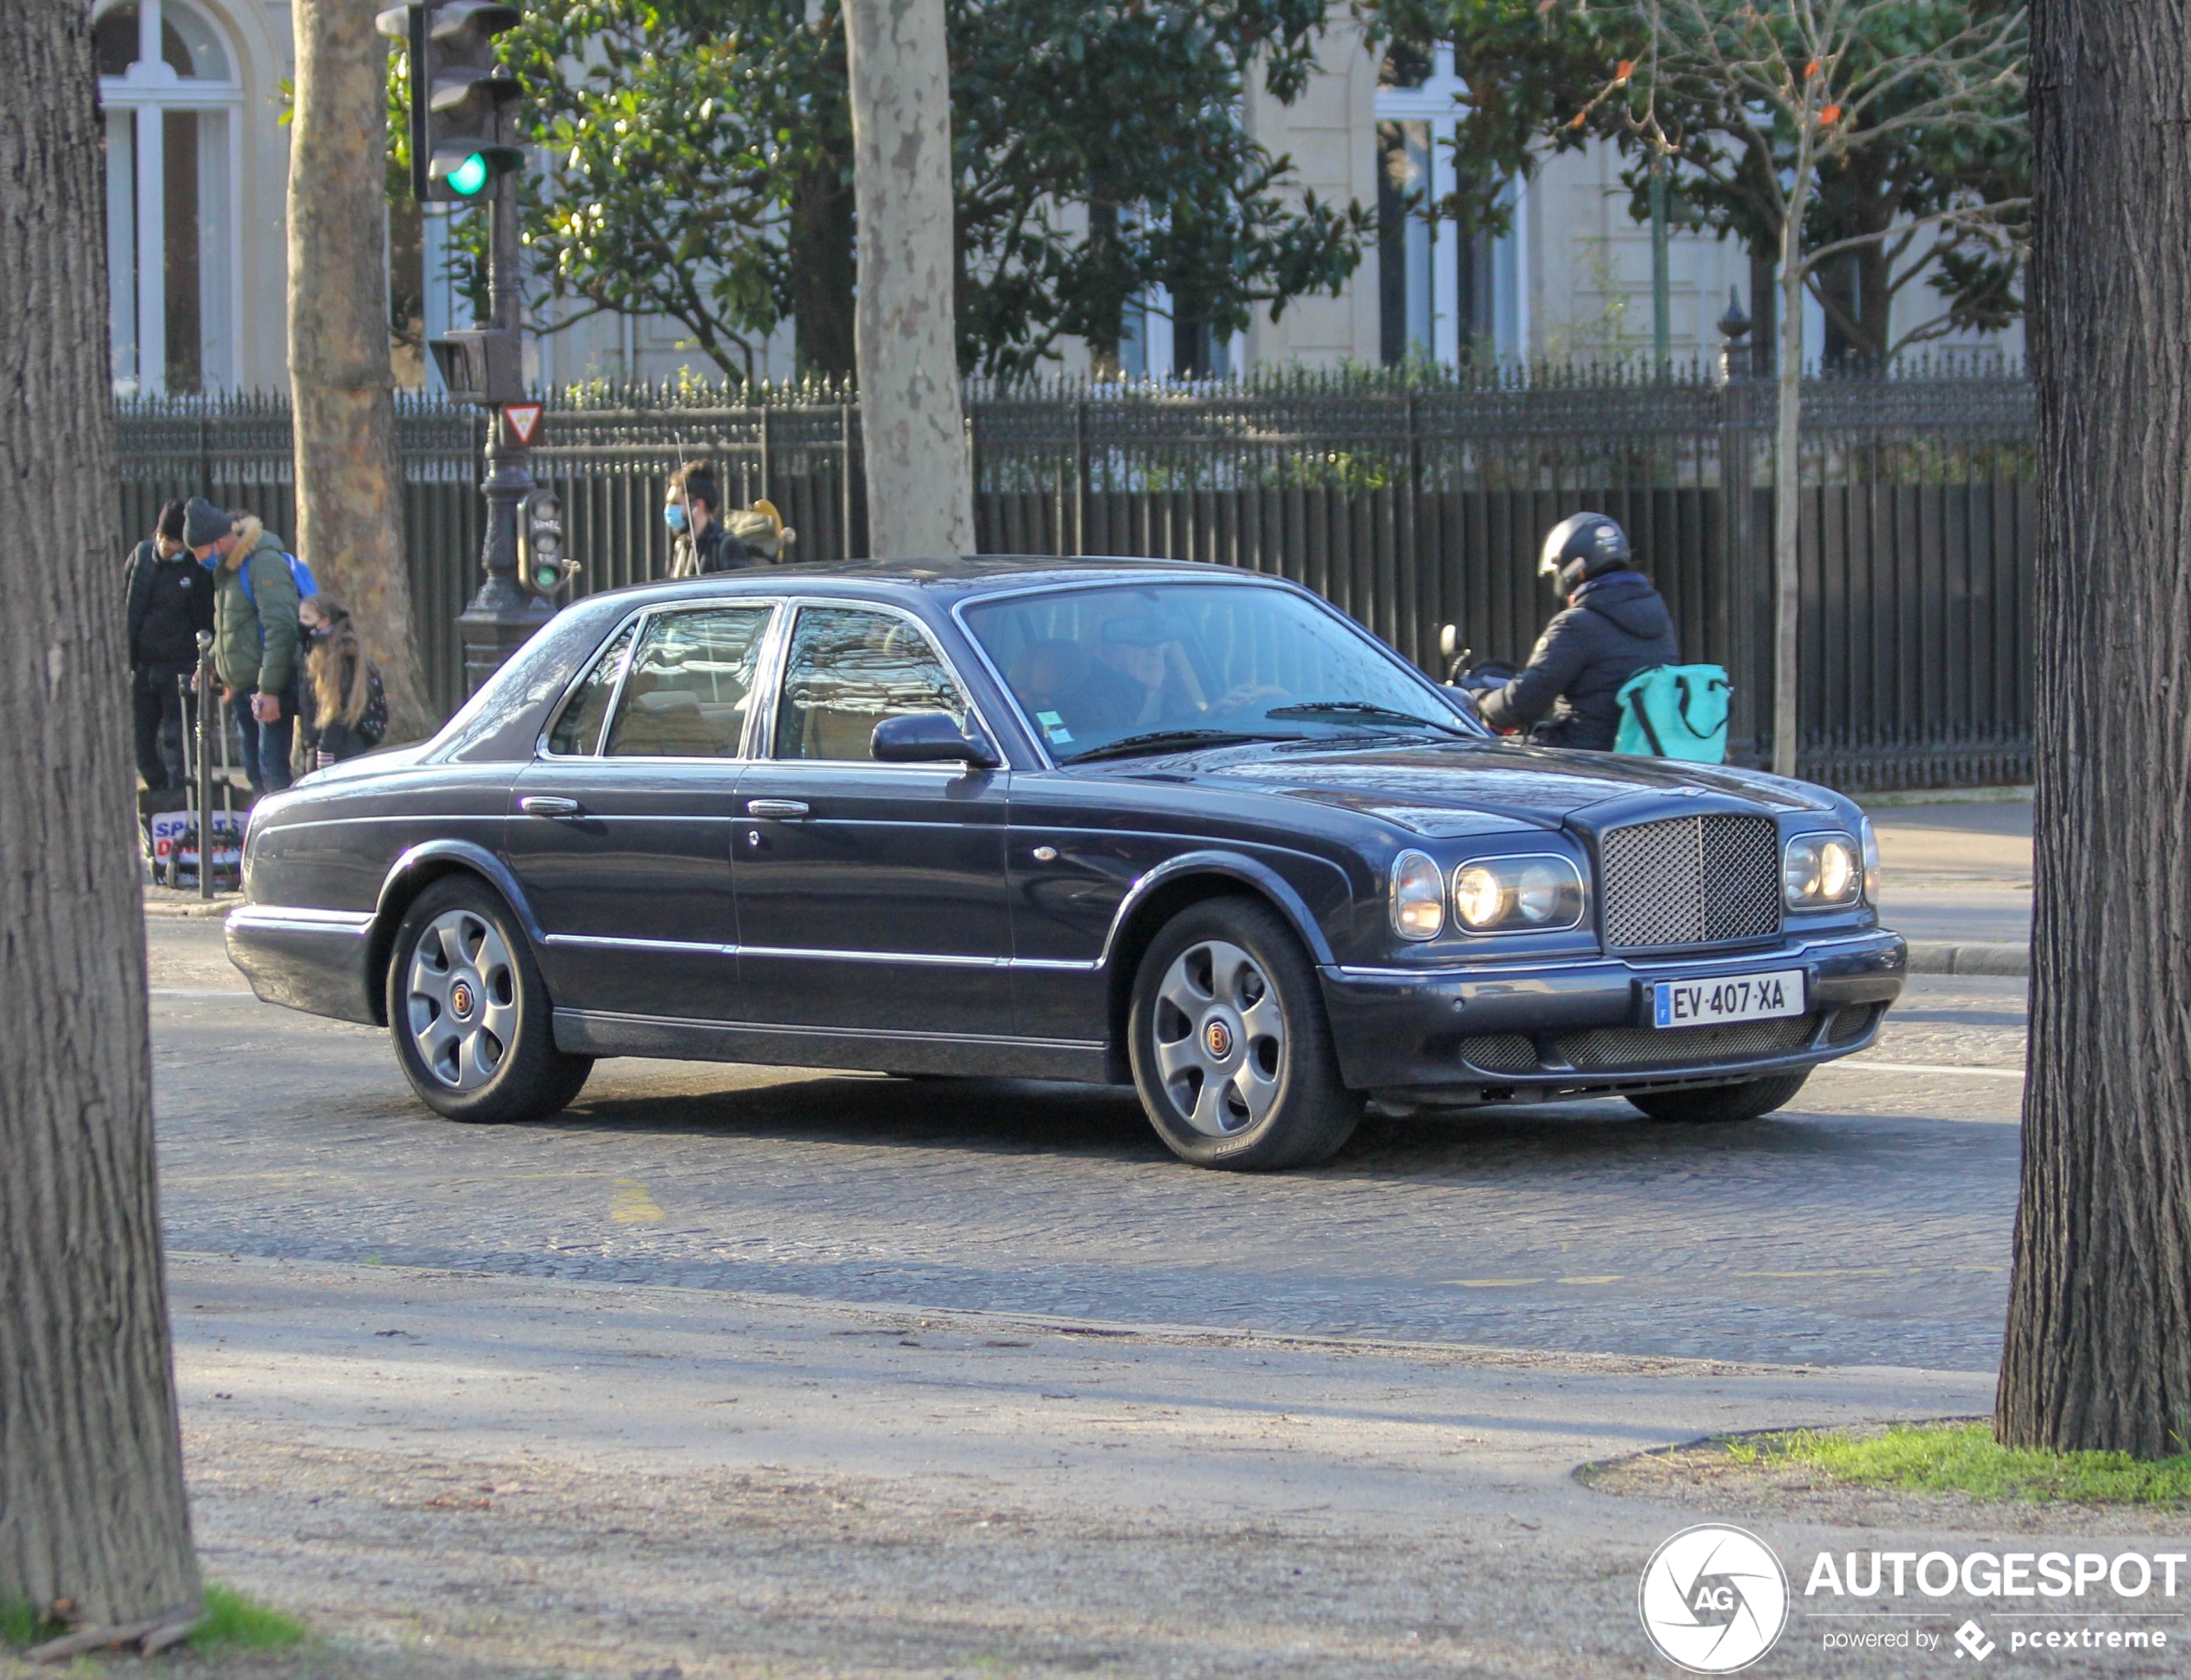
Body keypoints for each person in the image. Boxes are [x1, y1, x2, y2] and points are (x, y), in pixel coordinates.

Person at [1473, 512, 1677, 751]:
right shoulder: (1657, 616)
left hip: (1582, 758)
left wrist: (1481, 700)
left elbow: (1525, 702)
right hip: (1637, 754)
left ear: (1572, 569)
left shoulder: (1577, 624)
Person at [188, 498, 303, 793]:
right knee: (255, 769)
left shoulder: (262, 564)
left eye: (201, 551)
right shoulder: (227, 569)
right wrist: (212, 664)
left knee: (272, 768)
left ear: (219, 541)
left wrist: (270, 689)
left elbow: (281, 627)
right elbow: (232, 627)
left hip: (266, 683)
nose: (199, 559)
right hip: (244, 685)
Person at [123, 498, 214, 789]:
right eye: (162, 538)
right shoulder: (142, 558)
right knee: (141, 747)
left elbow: (206, 618)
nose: (166, 546)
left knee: (177, 746)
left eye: (174, 541)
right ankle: (160, 792)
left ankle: (177, 798)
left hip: (180, 667)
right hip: (144, 667)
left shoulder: (198, 571)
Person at [295, 593, 386, 772]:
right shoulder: (314, 652)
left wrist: (325, 749)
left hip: (337, 747)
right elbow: (307, 701)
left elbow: (336, 708)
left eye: (307, 618)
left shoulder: (341, 655)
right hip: (321, 744)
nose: (300, 623)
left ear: (324, 621)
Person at [664, 460, 751, 576]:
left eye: (676, 503)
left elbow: (738, 591)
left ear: (698, 505)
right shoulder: (682, 546)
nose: (669, 509)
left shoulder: (726, 546)